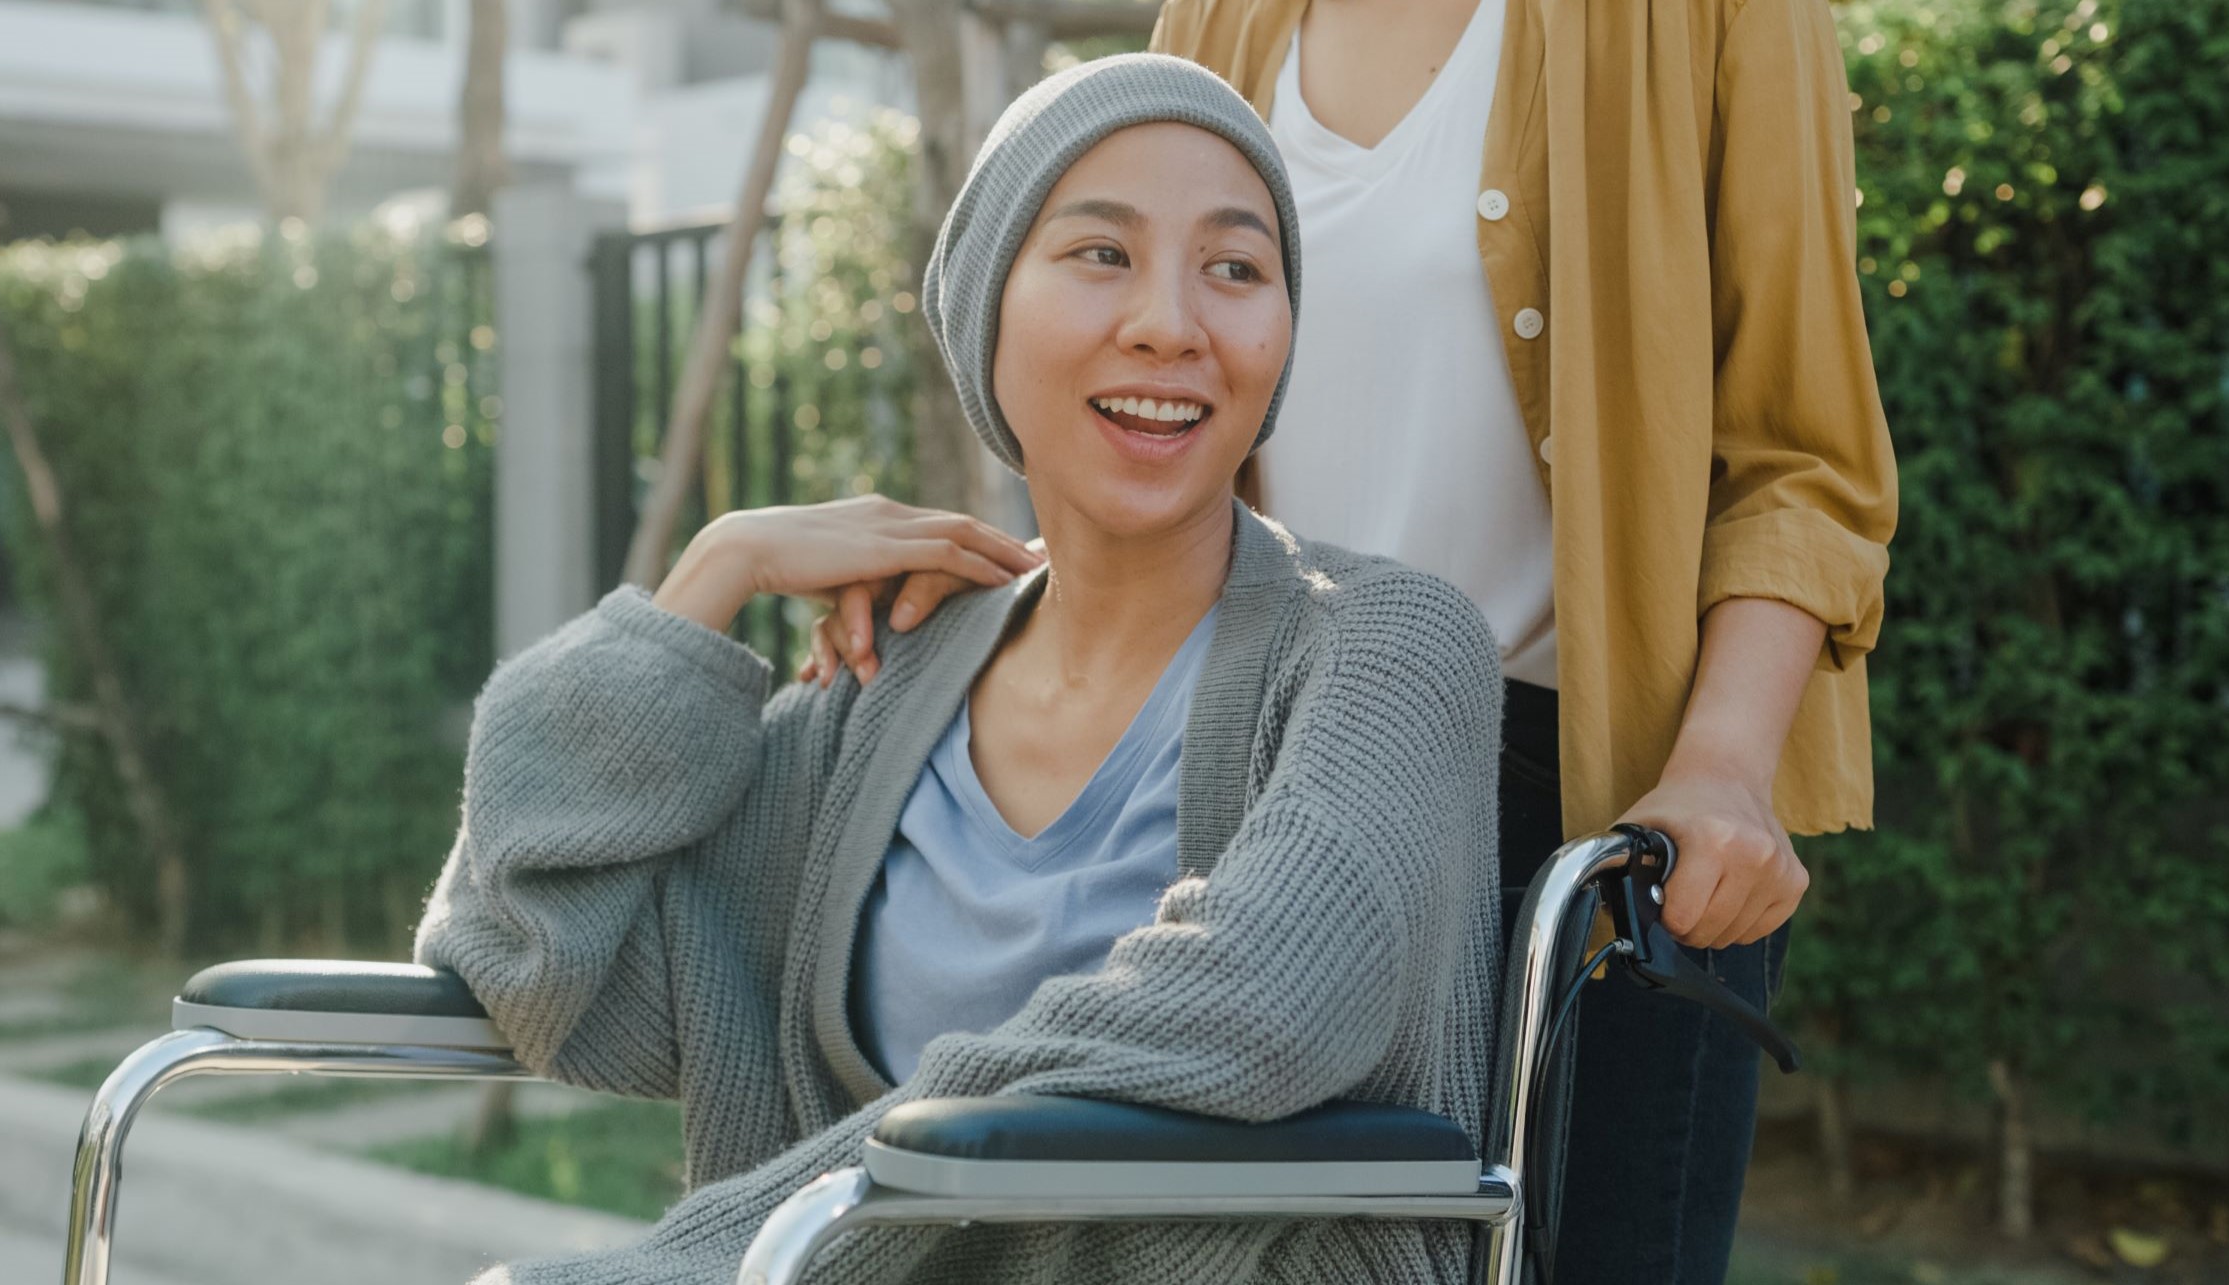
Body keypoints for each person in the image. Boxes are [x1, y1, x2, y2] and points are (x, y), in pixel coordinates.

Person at [807, 1, 1902, 1279]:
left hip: (1592, 811)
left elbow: (1802, 456)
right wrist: (1013, 596)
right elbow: (1166, 386)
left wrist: (1721, 765)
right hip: (1270, 766)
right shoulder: (1221, 17)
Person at [416, 54, 1505, 1285]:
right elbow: (534, 957)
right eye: (1103, 253)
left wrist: (744, 1248)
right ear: (986, 312)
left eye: (1236, 269)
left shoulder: (1391, 650)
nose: (1170, 322)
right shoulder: (887, 691)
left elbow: (1265, 1009)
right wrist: (715, 573)